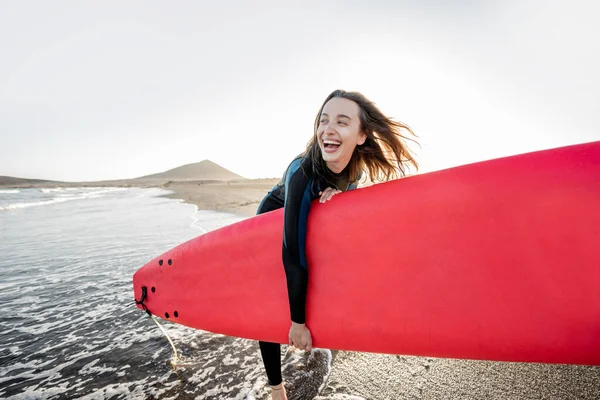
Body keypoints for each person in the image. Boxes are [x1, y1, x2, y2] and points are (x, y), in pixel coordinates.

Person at [255, 89, 418, 400]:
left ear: (361, 136)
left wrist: (343, 196)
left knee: (318, 276)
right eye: (324, 120)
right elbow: (292, 254)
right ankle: (277, 389)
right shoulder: (301, 172)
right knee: (271, 301)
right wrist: (298, 324)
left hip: (310, 217)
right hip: (272, 217)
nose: (327, 129)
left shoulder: (357, 167)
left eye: (342, 122)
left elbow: (351, 184)